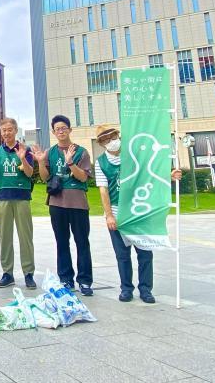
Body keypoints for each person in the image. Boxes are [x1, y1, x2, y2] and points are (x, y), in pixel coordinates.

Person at [94, 124, 182, 304]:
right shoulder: (101, 162)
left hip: (139, 210)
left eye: (113, 137)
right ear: (102, 144)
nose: (111, 142)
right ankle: (126, 289)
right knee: (122, 255)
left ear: (118, 136)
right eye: (106, 140)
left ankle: (145, 289)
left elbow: (150, 173)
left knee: (144, 253)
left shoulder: (133, 155)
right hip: (118, 214)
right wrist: (109, 215)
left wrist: (170, 174)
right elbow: (103, 190)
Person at [32, 115, 94, 296]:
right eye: (57, 129)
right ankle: (66, 279)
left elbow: (83, 177)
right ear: (53, 132)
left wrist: (70, 162)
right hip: (57, 203)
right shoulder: (51, 152)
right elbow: (45, 178)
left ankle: (85, 281)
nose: (61, 131)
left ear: (70, 129)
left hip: (78, 203)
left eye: (63, 128)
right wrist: (41, 162)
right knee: (61, 242)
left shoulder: (81, 151)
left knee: (82, 242)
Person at [0, 118, 37, 289]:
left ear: (16, 130)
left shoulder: (25, 150)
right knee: (5, 237)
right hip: (4, 197)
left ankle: (28, 273)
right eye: (3, 130)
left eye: (9, 129)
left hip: (22, 198)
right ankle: (7, 273)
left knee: (25, 237)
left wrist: (23, 159)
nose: (6, 133)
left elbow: (29, 173)